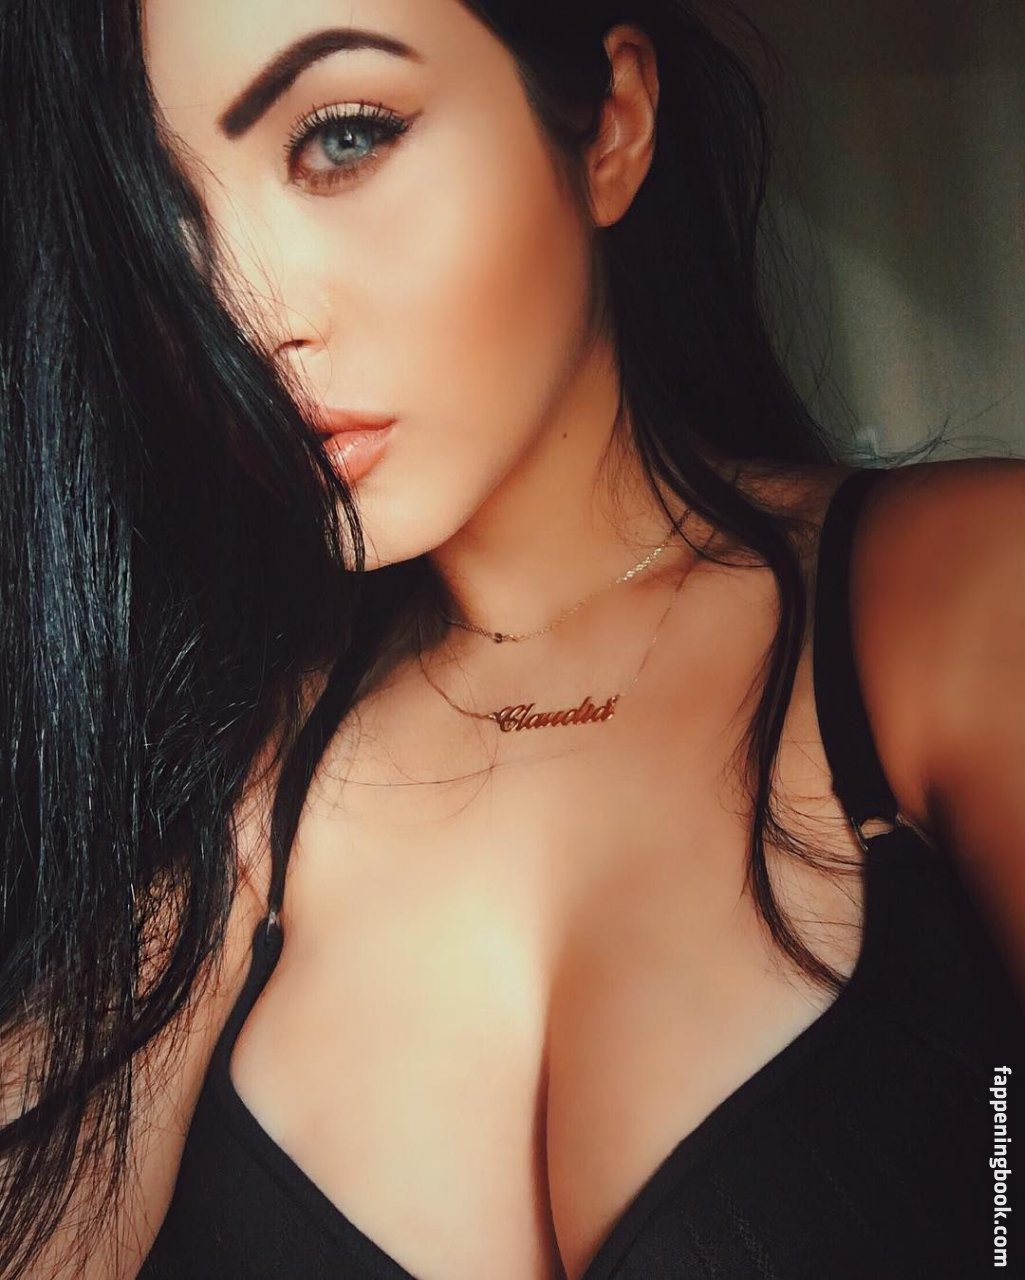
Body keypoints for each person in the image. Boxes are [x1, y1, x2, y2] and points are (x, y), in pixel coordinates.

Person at [1, 1, 1023, 1277]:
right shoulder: (245, 793)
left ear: (610, 125)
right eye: (157, 216)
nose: (245, 314)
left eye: (342, 138)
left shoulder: (957, 596)